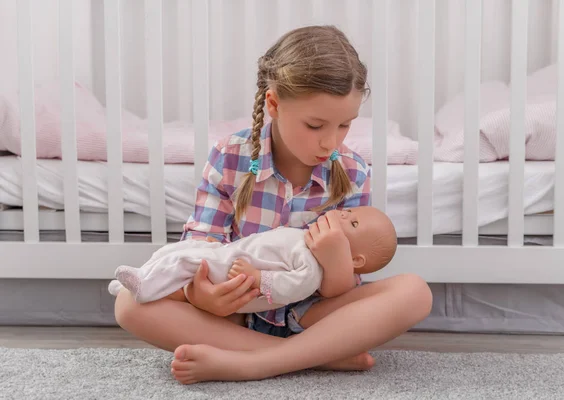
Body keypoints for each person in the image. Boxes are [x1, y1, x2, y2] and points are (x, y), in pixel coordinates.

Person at [114, 25, 432, 384]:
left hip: (315, 314)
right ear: (274, 103)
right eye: (315, 125)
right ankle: (315, 355)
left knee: (415, 292)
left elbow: (346, 288)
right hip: (236, 311)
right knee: (128, 303)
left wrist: (335, 258)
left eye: (345, 125)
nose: (331, 141)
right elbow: (199, 248)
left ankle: (256, 362)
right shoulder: (230, 157)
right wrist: (200, 295)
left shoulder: (353, 171)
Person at [109, 206, 397, 311]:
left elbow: (295, 286)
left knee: (184, 265)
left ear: (355, 260)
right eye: (349, 212)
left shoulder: (311, 266)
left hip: (233, 276)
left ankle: (145, 286)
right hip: (223, 258)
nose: (344, 214)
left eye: (352, 223)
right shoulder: (302, 238)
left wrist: (259, 278)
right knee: (173, 253)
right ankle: (135, 281)